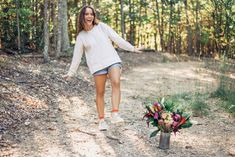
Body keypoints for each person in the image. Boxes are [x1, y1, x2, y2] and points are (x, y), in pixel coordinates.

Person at [63, 6, 143, 131]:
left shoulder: (101, 27)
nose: (89, 16)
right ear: (82, 17)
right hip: (97, 66)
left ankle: (115, 113)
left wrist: (132, 48)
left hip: (112, 60)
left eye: (91, 14)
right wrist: (71, 73)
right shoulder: (81, 36)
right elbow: (77, 57)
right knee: (100, 92)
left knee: (116, 82)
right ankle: (101, 120)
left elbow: (117, 38)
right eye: (86, 14)